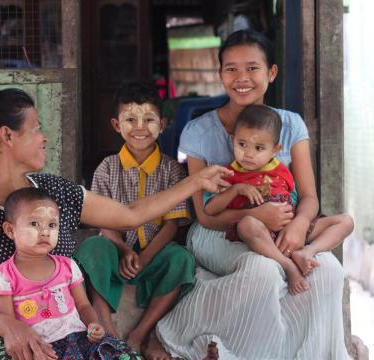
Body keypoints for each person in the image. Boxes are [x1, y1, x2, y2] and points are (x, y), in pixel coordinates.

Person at [0, 86, 232, 360]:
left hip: (71, 330)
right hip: (10, 336)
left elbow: (129, 215)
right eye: (37, 128)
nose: (45, 137)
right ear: (8, 136)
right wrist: (8, 326)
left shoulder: (53, 190)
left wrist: (194, 182)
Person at [150, 29, 354, 360]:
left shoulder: (290, 126)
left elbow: (309, 197)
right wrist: (254, 215)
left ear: (271, 73)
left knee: (327, 270)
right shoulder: (198, 131)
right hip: (217, 230)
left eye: (252, 68)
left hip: (281, 227)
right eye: (231, 69)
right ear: (219, 75)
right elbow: (204, 215)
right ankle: (176, 331)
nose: (241, 78)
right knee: (263, 270)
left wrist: (299, 225)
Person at [74, 81, 195, 355]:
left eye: (149, 119)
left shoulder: (172, 170)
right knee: (92, 247)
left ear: (162, 124)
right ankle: (106, 325)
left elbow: (173, 224)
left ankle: (141, 333)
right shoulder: (106, 168)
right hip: (117, 251)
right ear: (117, 125)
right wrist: (124, 249)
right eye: (130, 119)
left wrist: (146, 257)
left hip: (154, 254)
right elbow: (102, 220)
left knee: (182, 258)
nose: (139, 127)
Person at [203, 104, 354, 295]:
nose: (249, 154)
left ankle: (308, 252)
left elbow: (297, 200)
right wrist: (235, 190)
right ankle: (287, 265)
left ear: (276, 149)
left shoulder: (282, 171)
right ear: (232, 140)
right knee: (246, 224)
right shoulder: (226, 174)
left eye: (259, 148)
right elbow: (210, 209)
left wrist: (297, 226)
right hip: (261, 234)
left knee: (346, 221)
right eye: (242, 144)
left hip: (291, 231)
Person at [0, 187, 140, 359]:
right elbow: (10, 325)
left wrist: (93, 324)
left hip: (80, 339)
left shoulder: (67, 266)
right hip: (42, 349)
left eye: (52, 225)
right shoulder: (3, 276)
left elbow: (83, 306)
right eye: (34, 223)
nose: (45, 231)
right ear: (10, 230)